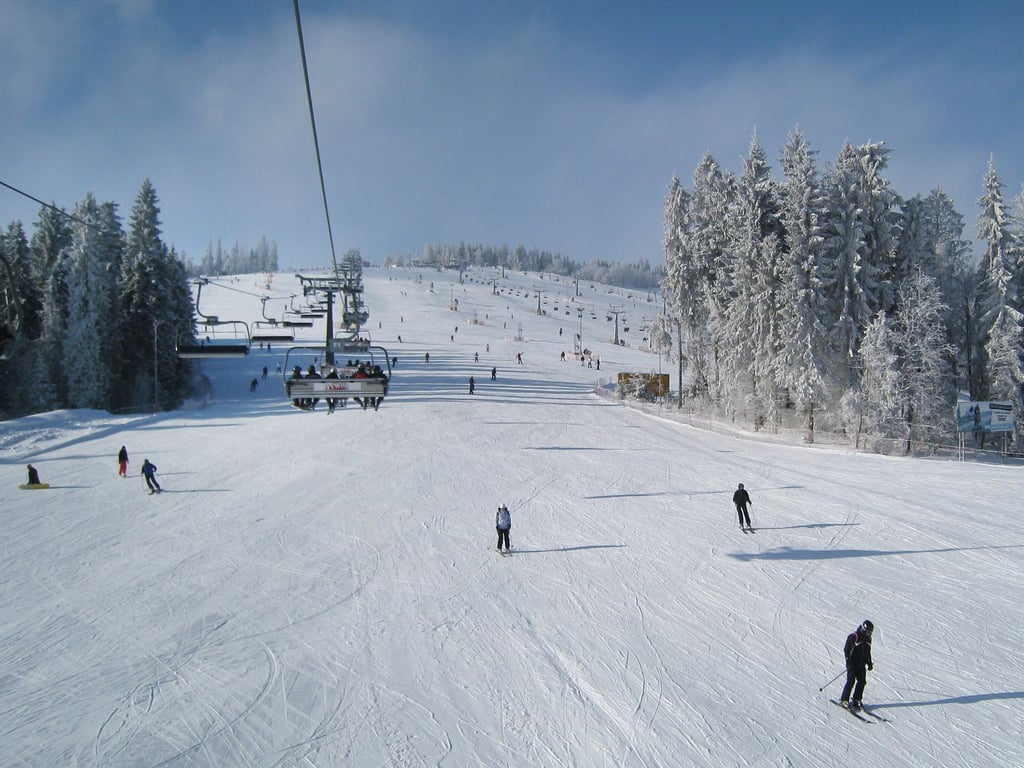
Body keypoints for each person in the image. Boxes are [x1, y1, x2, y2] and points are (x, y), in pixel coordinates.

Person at [840, 620, 874, 709]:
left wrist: (869, 662)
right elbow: (846, 650)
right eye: (868, 632)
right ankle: (844, 700)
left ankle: (857, 699)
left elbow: (867, 652)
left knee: (862, 682)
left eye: (870, 632)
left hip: (861, 664)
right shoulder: (854, 636)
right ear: (863, 629)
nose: (869, 633)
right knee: (851, 681)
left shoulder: (868, 639)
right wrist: (848, 662)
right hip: (853, 664)